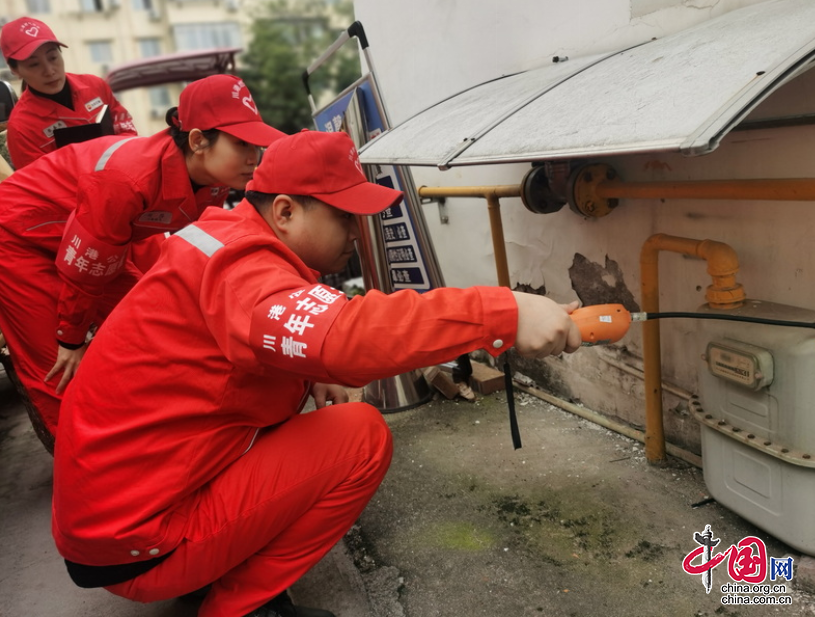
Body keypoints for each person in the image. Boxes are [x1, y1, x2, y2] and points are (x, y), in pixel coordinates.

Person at [51, 129, 582, 617]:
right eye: (344, 217)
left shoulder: (222, 235)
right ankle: (236, 607)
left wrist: (306, 368)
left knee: (312, 411)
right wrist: (504, 312)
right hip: (137, 542)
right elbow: (351, 337)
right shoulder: (243, 268)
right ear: (283, 211)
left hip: (111, 515)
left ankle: (207, 568)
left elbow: (245, 350)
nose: (358, 232)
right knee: (359, 438)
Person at [0, 73, 284, 453]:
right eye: (241, 144)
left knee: (153, 326)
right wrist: (71, 335)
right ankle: (84, 466)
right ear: (198, 141)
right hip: (19, 232)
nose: (254, 158)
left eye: (257, 145)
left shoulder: (214, 181)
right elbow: (85, 268)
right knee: (58, 362)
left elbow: (207, 251)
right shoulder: (130, 180)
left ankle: (152, 437)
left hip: (88, 237)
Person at [0, 16, 138, 169]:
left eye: (53, 57)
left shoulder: (95, 85)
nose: (50, 71)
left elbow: (125, 128)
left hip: (125, 174)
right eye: (34, 64)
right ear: (15, 70)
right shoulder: (21, 128)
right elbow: (40, 183)